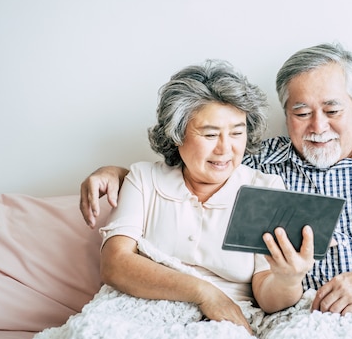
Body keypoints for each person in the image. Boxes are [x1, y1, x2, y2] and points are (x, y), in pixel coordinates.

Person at [80, 42, 352, 317]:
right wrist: (119, 173)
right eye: (301, 112)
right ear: (285, 114)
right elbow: (199, 160)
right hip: (310, 313)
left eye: (332, 109)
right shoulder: (263, 163)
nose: (318, 126)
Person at [81, 59, 315, 336]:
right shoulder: (144, 179)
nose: (225, 149)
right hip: (140, 313)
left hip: (227, 322)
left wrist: (288, 280)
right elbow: (115, 264)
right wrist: (205, 293)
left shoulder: (263, 189)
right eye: (210, 134)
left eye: (237, 133)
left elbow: (268, 296)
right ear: (177, 134)